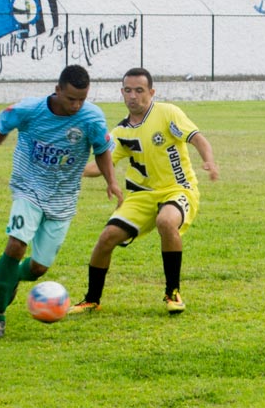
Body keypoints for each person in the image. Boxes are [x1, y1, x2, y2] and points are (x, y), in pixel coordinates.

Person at [0, 64, 122, 339]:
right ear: (57, 90)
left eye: (81, 99)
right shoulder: (30, 109)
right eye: (71, 98)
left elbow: (101, 150)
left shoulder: (92, 118)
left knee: (38, 268)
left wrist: (111, 181)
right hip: (29, 187)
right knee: (15, 245)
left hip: (63, 198)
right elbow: (2, 126)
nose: (76, 105)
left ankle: (11, 278)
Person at [70, 67, 219, 316]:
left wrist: (209, 161)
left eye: (139, 90)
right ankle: (91, 299)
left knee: (166, 220)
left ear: (151, 92)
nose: (133, 96)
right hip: (141, 196)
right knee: (107, 237)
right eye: (128, 90)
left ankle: (172, 292)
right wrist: (72, 168)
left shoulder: (167, 112)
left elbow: (197, 138)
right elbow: (101, 164)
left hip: (178, 189)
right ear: (122, 93)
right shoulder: (120, 132)